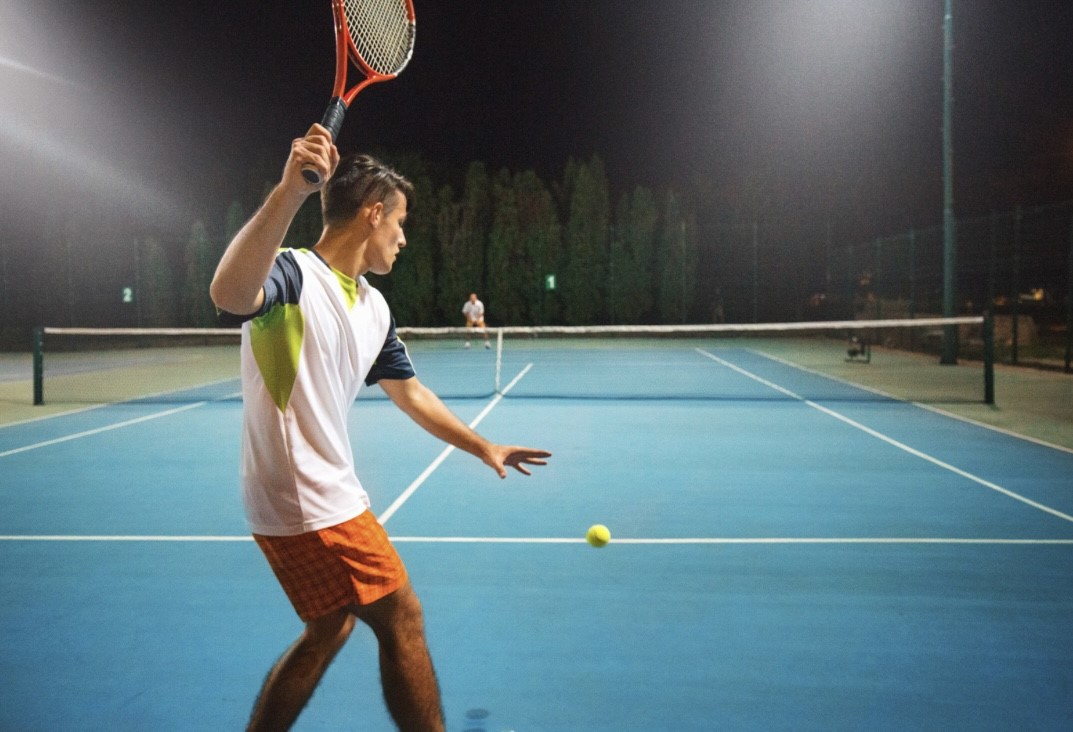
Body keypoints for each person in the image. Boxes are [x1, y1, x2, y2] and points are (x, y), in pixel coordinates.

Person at [209, 125, 551, 732]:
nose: (404, 237)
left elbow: (410, 392)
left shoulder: (373, 306)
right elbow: (230, 294)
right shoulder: (292, 276)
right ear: (372, 214)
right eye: (400, 221)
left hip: (303, 497)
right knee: (403, 615)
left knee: (330, 627)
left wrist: (483, 446)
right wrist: (289, 192)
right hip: (310, 498)